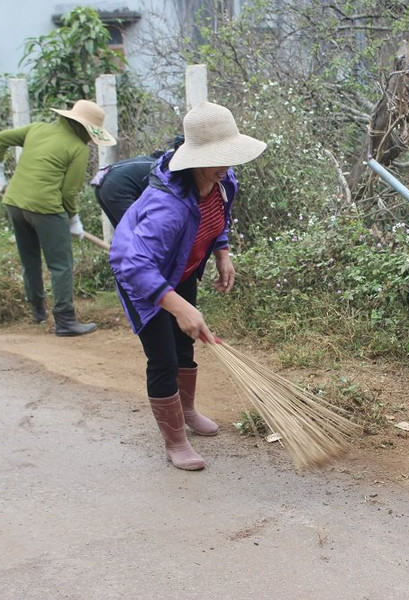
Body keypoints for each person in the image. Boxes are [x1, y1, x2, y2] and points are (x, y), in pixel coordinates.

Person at [109, 102, 266, 471]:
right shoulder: (168, 206)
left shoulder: (222, 180)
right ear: (194, 158)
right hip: (143, 283)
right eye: (218, 156)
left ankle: (189, 411)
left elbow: (217, 219)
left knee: (185, 347)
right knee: (163, 358)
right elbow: (131, 263)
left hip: (181, 271)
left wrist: (223, 252)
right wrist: (178, 307)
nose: (226, 164)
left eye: (229, 154)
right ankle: (175, 441)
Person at [0, 99, 116, 336]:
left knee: (30, 259)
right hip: (46, 209)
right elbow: (68, 192)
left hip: (15, 202)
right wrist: (72, 219)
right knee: (61, 265)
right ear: (83, 128)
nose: (90, 138)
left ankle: (37, 311)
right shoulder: (78, 149)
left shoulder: (37, 129)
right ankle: (65, 320)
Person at [90, 135, 184, 227]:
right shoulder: (168, 169)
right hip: (116, 185)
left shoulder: (163, 161)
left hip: (106, 179)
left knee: (124, 232)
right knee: (137, 232)